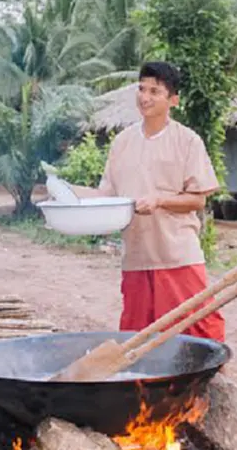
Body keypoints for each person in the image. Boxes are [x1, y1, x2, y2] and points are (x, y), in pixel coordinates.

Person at [72, 61, 223, 341]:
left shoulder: (187, 141)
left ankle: (208, 383)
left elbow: (197, 200)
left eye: (155, 91)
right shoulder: (123, 142)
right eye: (141, 89)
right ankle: (146, 386)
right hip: (137, 257)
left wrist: (160, 200)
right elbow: (107, 195)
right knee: (138, 337)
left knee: (199, 328)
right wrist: (68, 193)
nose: (145, 97)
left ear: (173, 100)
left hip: (177, 254)